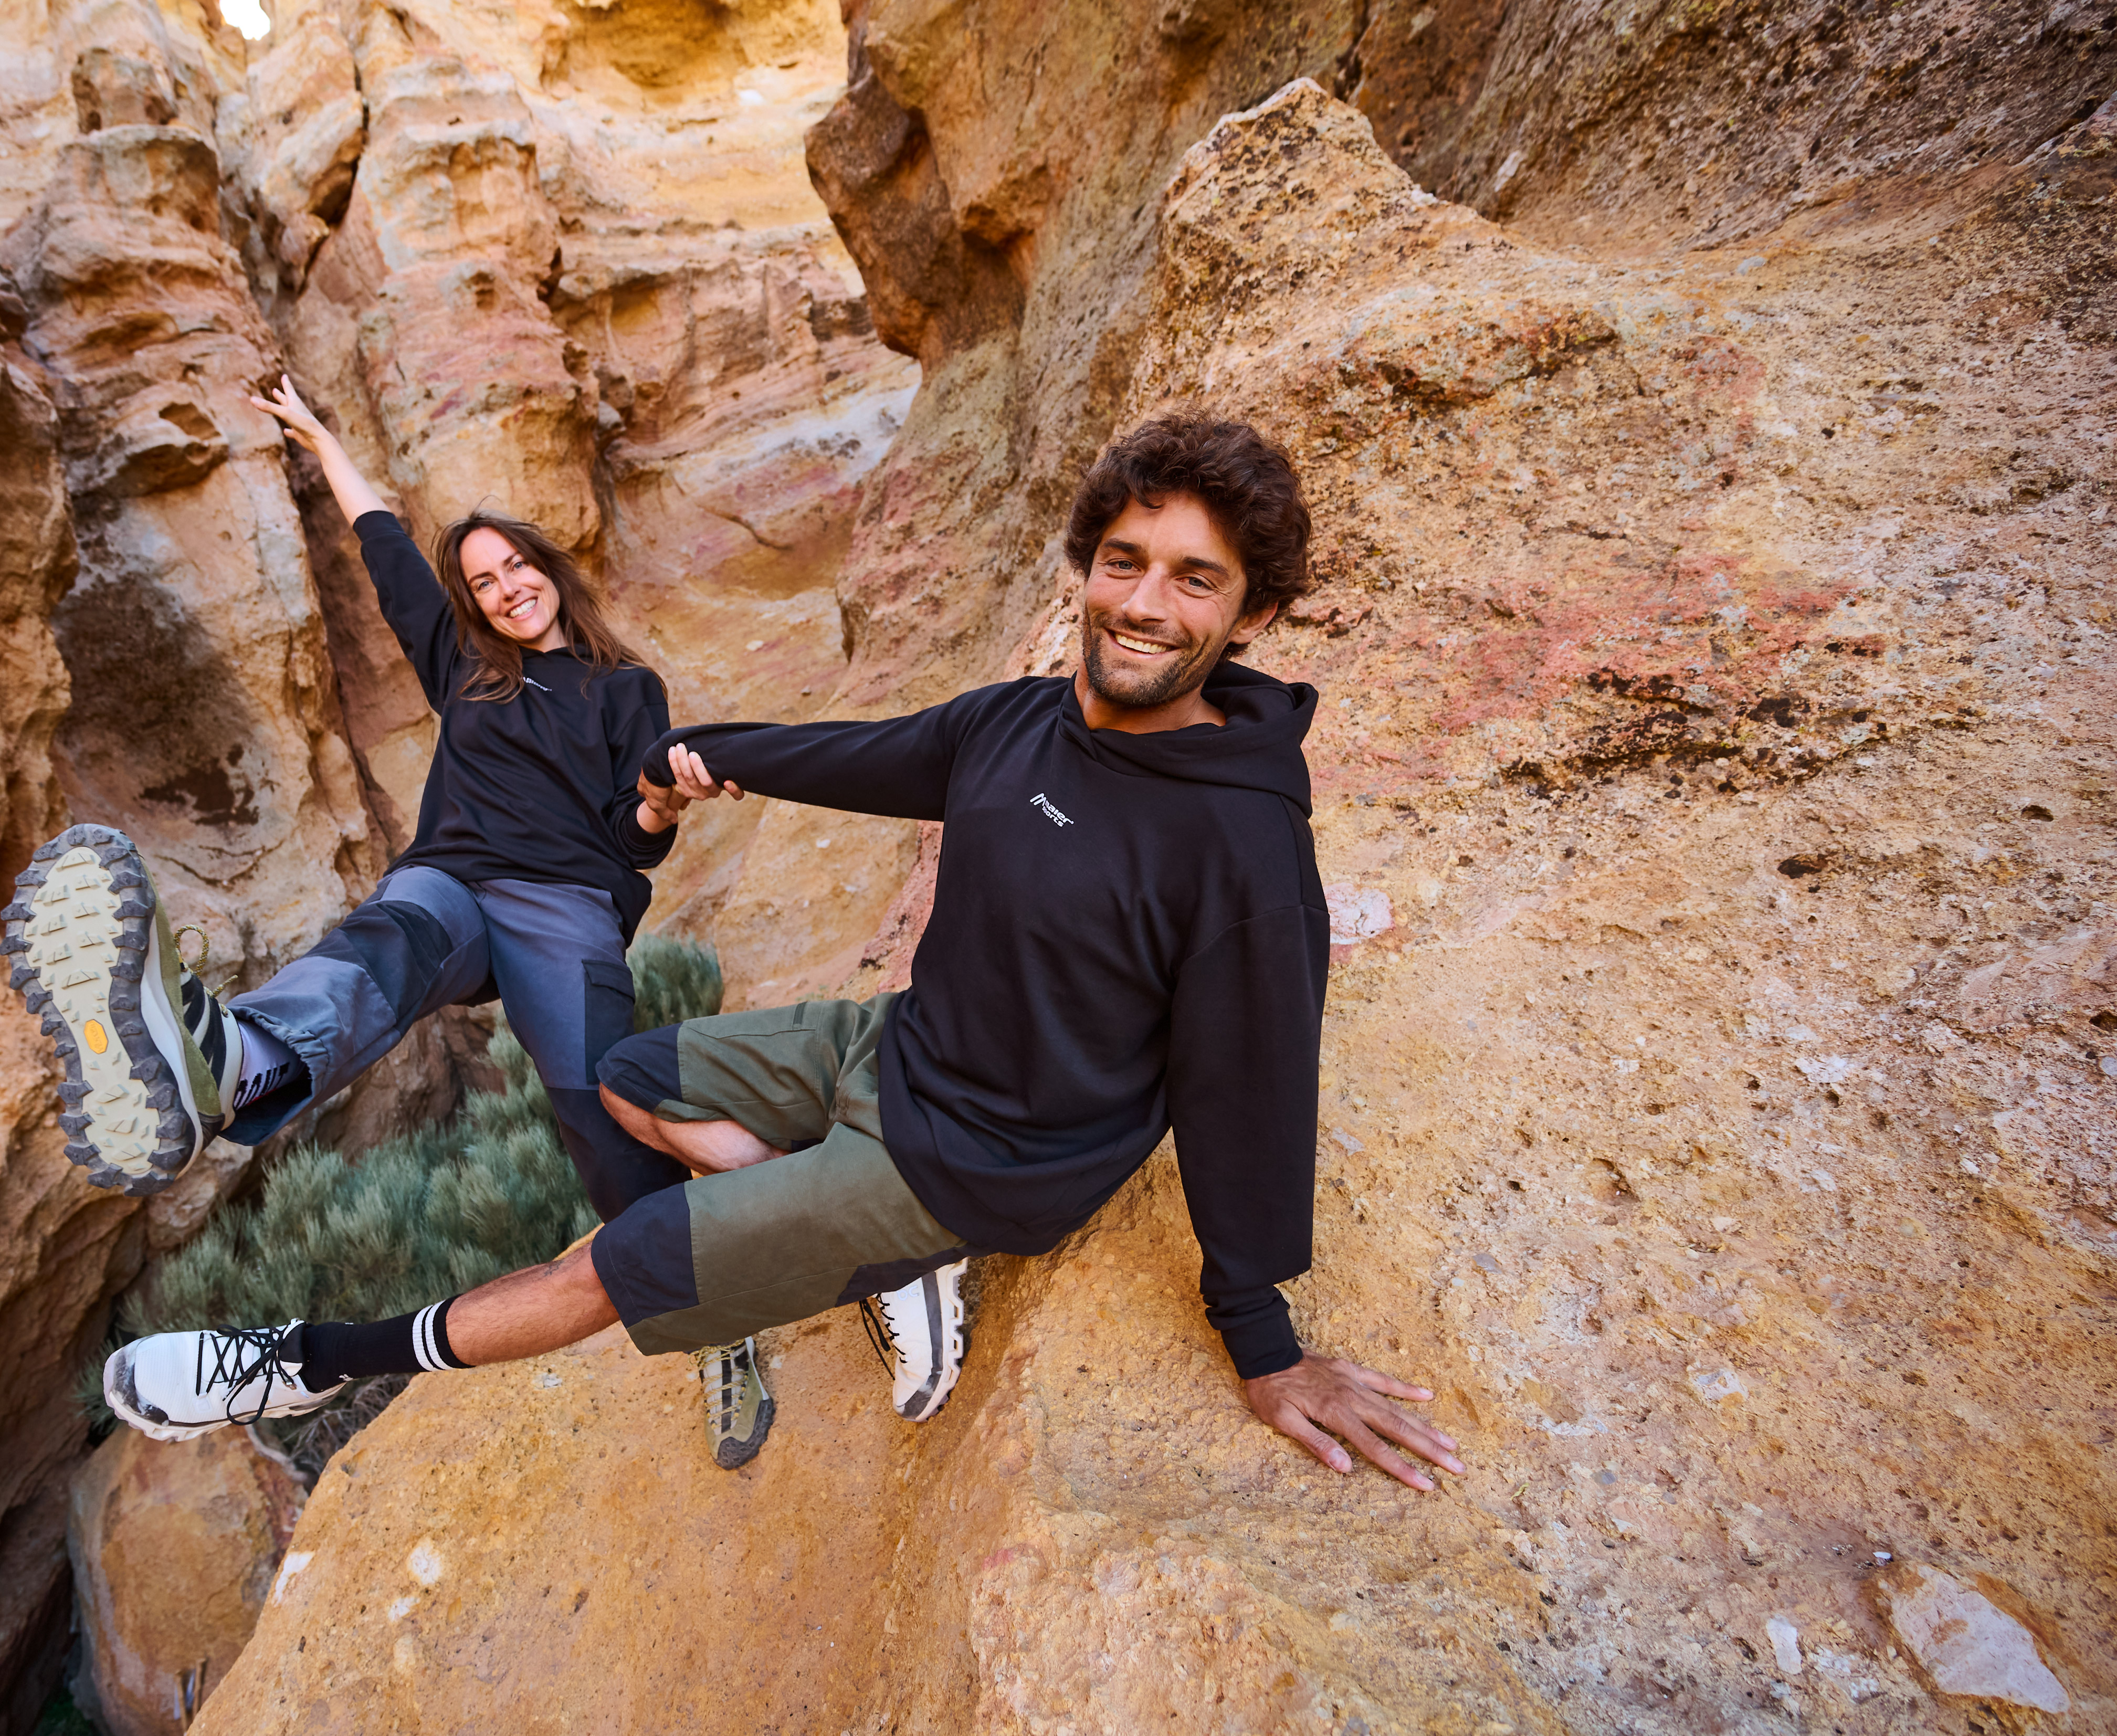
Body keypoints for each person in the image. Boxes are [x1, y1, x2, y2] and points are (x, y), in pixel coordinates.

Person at [97, 413, 1466, 1492]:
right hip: (894, 1047)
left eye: (1195, 578)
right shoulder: (1020, 723)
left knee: (609, 1267)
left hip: (971, 1161)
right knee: (630, 1073)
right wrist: (710, 760)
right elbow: (870, 755)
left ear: (1253, 615)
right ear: (1088, 566)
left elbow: (1249, 1090)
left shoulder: (1239, 846)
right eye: (1124, 560)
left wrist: (1264, 1343)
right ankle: (831, 1245)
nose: (1146, 602)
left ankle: (296, 1363)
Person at [9, 377, 757, 1466]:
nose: (506, 591)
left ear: (550, 572)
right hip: (452, 879)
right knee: (380, 949)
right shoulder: (462, 666)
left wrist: (657, 801)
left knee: (609, 1114)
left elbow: (635, 837)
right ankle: (241, 1063)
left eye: (517, 567)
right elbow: (385, 548)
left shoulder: (623, 688)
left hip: (566, 908)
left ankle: (713, 1322)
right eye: (485, 582)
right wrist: (319, 436)